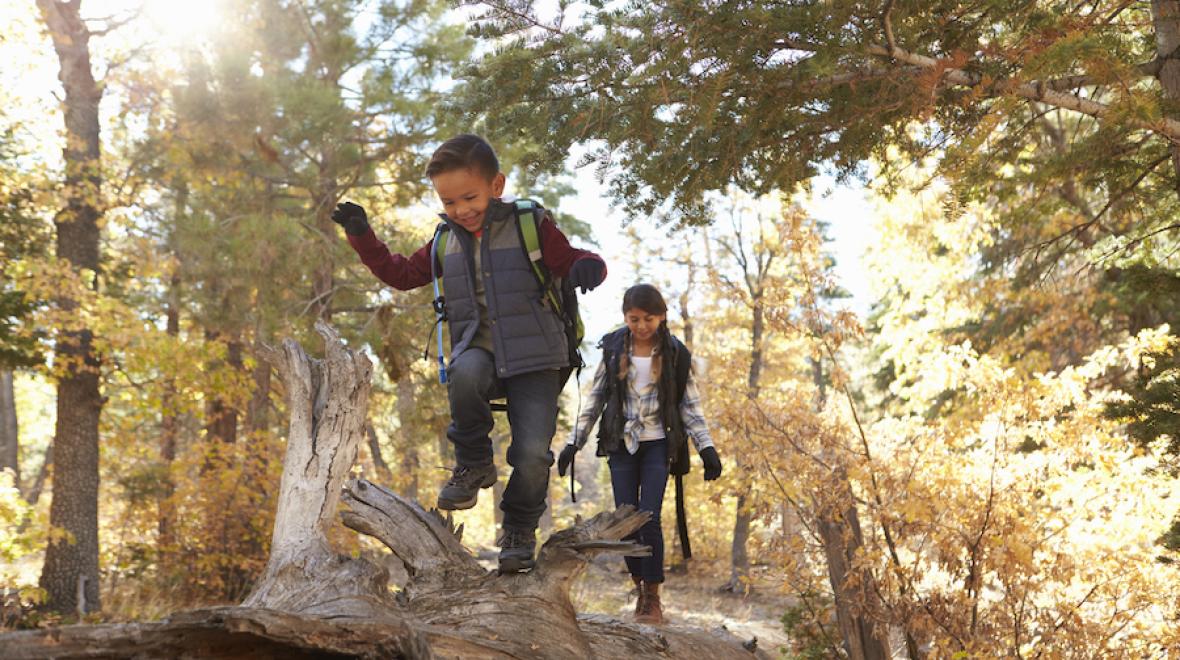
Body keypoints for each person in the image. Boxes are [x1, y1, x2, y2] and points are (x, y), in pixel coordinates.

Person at [331, 134, 607, 573]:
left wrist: (588, 266)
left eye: (469, 197)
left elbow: (569, 258)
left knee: (533, 454)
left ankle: (518, 530)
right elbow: (401, 274)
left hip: (537, 358)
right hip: (480, 348)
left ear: (496, 185)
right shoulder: (445, 240)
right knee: (462, 369)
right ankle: (474, 465)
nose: (460, 209)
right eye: (449, 200)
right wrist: (363, 236)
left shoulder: (528, 223)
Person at [557, 283, 722, 624]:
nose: (642, 325)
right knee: (627, 520)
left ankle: (653, 596)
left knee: (649, 517)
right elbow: (597, 399)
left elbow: (690, 407)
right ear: (625, 317)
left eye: (649, 318)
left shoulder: (675, 353)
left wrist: (707, 448)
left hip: (659, 444)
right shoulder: (614, 347)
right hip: (621, 443)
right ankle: (638, 588)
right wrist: (575, 442)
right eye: (634, 319)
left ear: (661, 316)